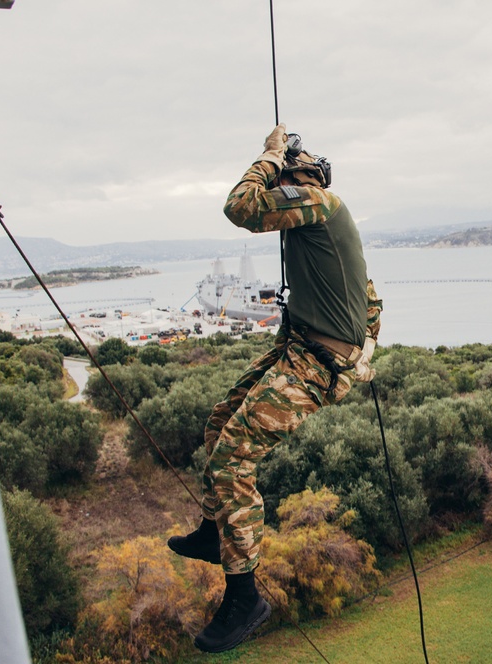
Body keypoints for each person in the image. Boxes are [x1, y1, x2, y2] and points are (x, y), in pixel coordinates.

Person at [167, 123, 382, 653]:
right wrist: (366, 347)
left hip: (314, 361)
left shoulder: (318, 203)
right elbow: (370, 298)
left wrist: (268, 155)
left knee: (234, 458)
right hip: (306, 348)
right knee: (222, 420)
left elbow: (241, 207)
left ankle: (244, 597)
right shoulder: (325, 229)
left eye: (287, 178)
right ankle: (215, 533)